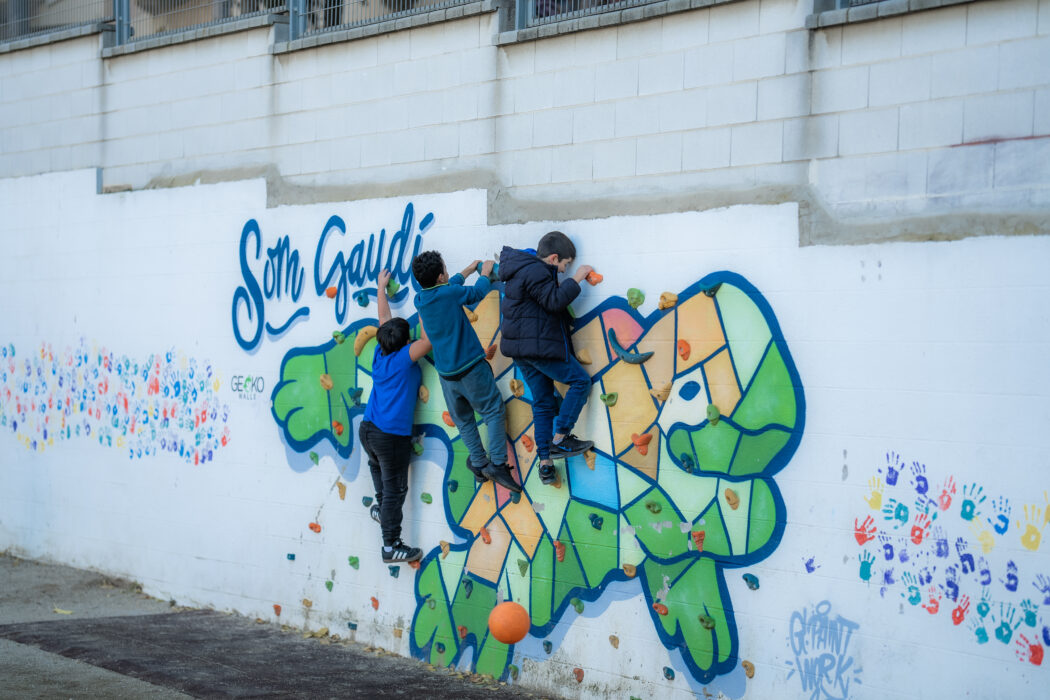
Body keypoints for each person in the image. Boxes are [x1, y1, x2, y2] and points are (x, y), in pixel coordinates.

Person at [412, 251, 521, 493]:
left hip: (447, 376)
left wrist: (468, 269)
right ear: (441, 276)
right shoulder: (449, 294)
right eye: (446, 270)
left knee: (463, 420)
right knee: (493, 410)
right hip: (470, 367)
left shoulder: (420, 299)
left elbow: (449, 287)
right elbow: (476, 293)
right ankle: (498, 465)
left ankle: (479, 463)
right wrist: (483, 274)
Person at [498, 231, 594, 485]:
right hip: (537, 348)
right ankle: (561, 437)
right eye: (565, 265)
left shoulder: (523, 269)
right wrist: (578, 278)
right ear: (553, 258)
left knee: (543, 402)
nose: (564, 270)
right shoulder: (537, 271)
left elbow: (540, 301)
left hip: (521, 351)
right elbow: (553, 302)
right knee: (580, 382)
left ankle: (545, 463)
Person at [359, 269, 431, 564]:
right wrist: (426, 301)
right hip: (390, 438)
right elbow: (427, 341)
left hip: (369, 430)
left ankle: (380, 510)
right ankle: (391, 546)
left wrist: (381, 289)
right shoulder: (403, 359)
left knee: (382, 480)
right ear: (405, 344)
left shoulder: (382, 351)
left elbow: (384, 323)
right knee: (396, 490)